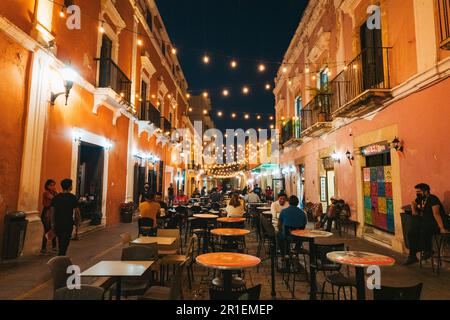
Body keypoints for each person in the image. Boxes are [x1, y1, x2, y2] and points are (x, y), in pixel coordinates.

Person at [404, 183, 449, 265]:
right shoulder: (421, 198)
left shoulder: (433, 199)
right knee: (411, 232)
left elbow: (436, 214)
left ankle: (427, 250)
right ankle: (412, 256)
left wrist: (442, 228)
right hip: (426, 222)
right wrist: (415, 213)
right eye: (416, 191)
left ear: (426, 191)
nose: (417, 193)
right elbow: (413, 203)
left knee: (423, 228)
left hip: (436, 223)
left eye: (419, 191)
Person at [50, 179, 80, 256]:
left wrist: (52, 223)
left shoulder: (56, 198)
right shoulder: (72, 197)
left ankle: (61, 256)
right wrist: (77, 223)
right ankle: (61, 258)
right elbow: (77, 212)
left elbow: (52, 212)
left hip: (58, 223)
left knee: (60, 241)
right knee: (65, 243)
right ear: (70, 187)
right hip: (68, 224)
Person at [40, 179, 58, 255]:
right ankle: (43, 248)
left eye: (54, 185)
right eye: (51, 185)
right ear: (47, 186)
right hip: (47, 213)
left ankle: (54, 247)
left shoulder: (54, 193)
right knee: (47, 230)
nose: (53, 186)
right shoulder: (46, 193)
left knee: (53, 229)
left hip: (52, 212)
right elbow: (54, 199)